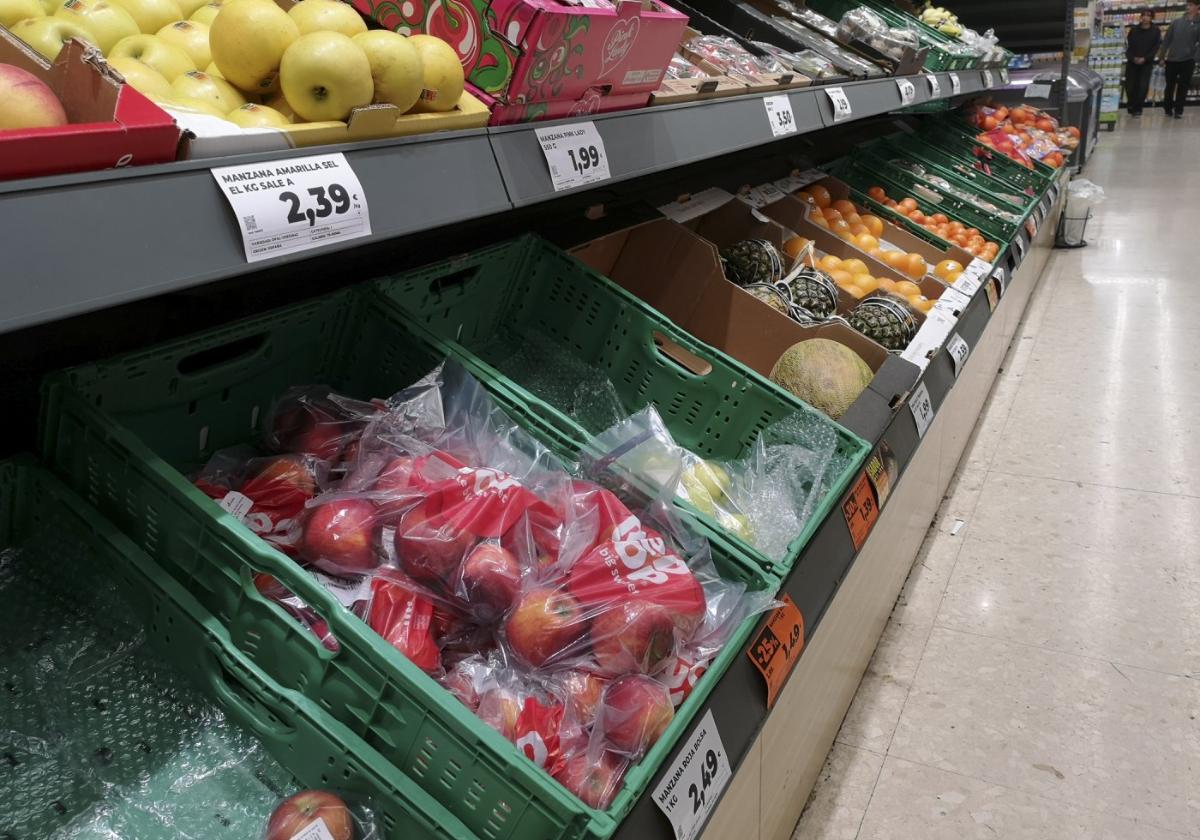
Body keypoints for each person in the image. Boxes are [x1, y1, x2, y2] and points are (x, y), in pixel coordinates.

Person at [1160, 0, 1200, 117]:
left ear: (1198, 6)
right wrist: (1162, 57)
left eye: (1191, 5)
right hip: (1172, 59)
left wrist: (1195, 58)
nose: (1188, 7)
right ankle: (1167, 108)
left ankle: (1179, 110)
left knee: (1183, 86)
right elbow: (1166, 40)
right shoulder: (1176, 22)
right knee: (1169, 85)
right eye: (1187, 5)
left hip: (1188, 60)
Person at [1126, 11, 1161, 115]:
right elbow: (1128, 46)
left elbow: (1155, 47)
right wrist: (1132, 58)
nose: (1145, 18)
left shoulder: (1156, 31)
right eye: (1144, 15)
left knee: (1142, 86)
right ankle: (1131, 103)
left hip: (1146, 63)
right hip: (1132, 62)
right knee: (1130, 86)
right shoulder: (1134, 30)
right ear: (1141, 17)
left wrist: (1145, 58)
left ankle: (1138, 108)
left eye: (1148, 16)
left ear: (1152, 18)